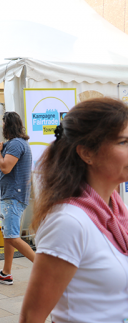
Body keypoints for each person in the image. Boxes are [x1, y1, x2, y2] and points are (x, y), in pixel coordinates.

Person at [20, 98, 128, 323]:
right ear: (87, 153)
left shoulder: (117, 210)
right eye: (124, 142)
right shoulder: (68, 221)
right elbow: (31, 317)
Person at [0, 112, 34, 285]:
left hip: (13, 196)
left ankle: (44, 269)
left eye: (2, 122)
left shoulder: (15, 144)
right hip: (15, 195)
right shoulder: (19, 143)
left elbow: (6, 167)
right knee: (9, 235)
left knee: (13, 237)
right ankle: (6, 272)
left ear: (8, 125)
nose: (0, 125)